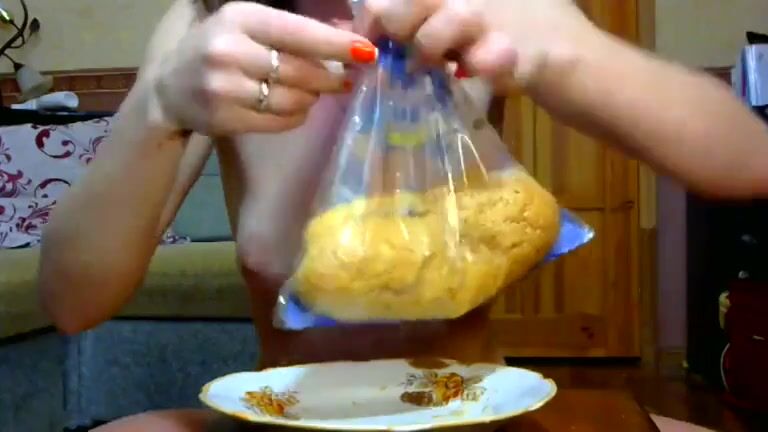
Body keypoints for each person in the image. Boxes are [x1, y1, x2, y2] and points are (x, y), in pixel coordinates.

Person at [37, 0, 765, 431]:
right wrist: (161, 106)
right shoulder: (216, 24)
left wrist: (559, 51)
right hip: (290, 422)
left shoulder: (470, 7)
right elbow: (72, 303)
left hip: (479, 418)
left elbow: (749, 160)